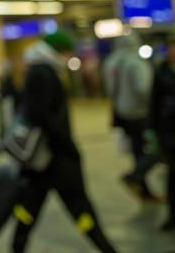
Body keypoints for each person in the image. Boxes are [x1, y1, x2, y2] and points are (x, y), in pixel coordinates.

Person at [12, 32, 117, 253]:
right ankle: (106, 248)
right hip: (55, 155)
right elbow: (41, 115)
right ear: (58, 51)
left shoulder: (41, 69)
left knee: (32, 205)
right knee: (77, 205)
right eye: (68, 51)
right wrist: (67, 144)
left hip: (46, 158)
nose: (70, 56)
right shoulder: (43, 72)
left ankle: (17, 245)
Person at [103, 32, 155, 199]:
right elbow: (144, 89)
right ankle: (136, 177)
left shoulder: (110, 62)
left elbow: (109, 90)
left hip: (121, 112)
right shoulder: (136, 62)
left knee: (136, 149)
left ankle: (143, 187)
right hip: (140, 113)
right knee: (155, 149)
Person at [150, 33, 175, 231]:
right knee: (172, 176)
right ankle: (172, 216)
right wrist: (153, 131)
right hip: (169, 131)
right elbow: (154, 103)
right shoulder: (161, 72)